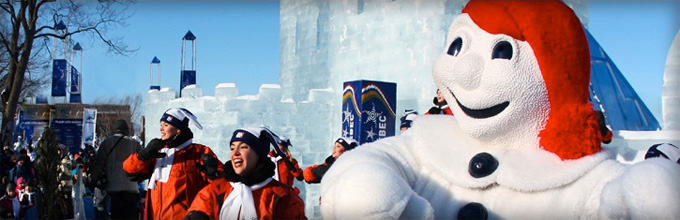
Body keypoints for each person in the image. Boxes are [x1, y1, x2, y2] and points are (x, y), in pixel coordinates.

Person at [185, 127, 306, 220]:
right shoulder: (215, 190)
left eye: (243, 147)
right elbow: (201, 207)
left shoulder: (285, 198)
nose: (235, 153)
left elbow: (299, 176)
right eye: (232, 148)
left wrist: (292, 166)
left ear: (259, 153)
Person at [123, 108, 224, 220]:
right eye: (161, 125)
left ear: (178, 129)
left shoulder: (199, 152)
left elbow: (223, 185)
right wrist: (144, 155)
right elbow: (130, 171)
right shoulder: (159, 153)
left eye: (166, 125)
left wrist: (213, 174)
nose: (161, 129)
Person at [90, 119, 142, 220]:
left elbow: (99, 165)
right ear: (126, 129)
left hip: (113, 188)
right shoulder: (135, 144)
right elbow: (142, 162)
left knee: (116, 215)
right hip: (131, 187)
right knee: (130, 215)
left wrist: (93, 179)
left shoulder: (106, 143)